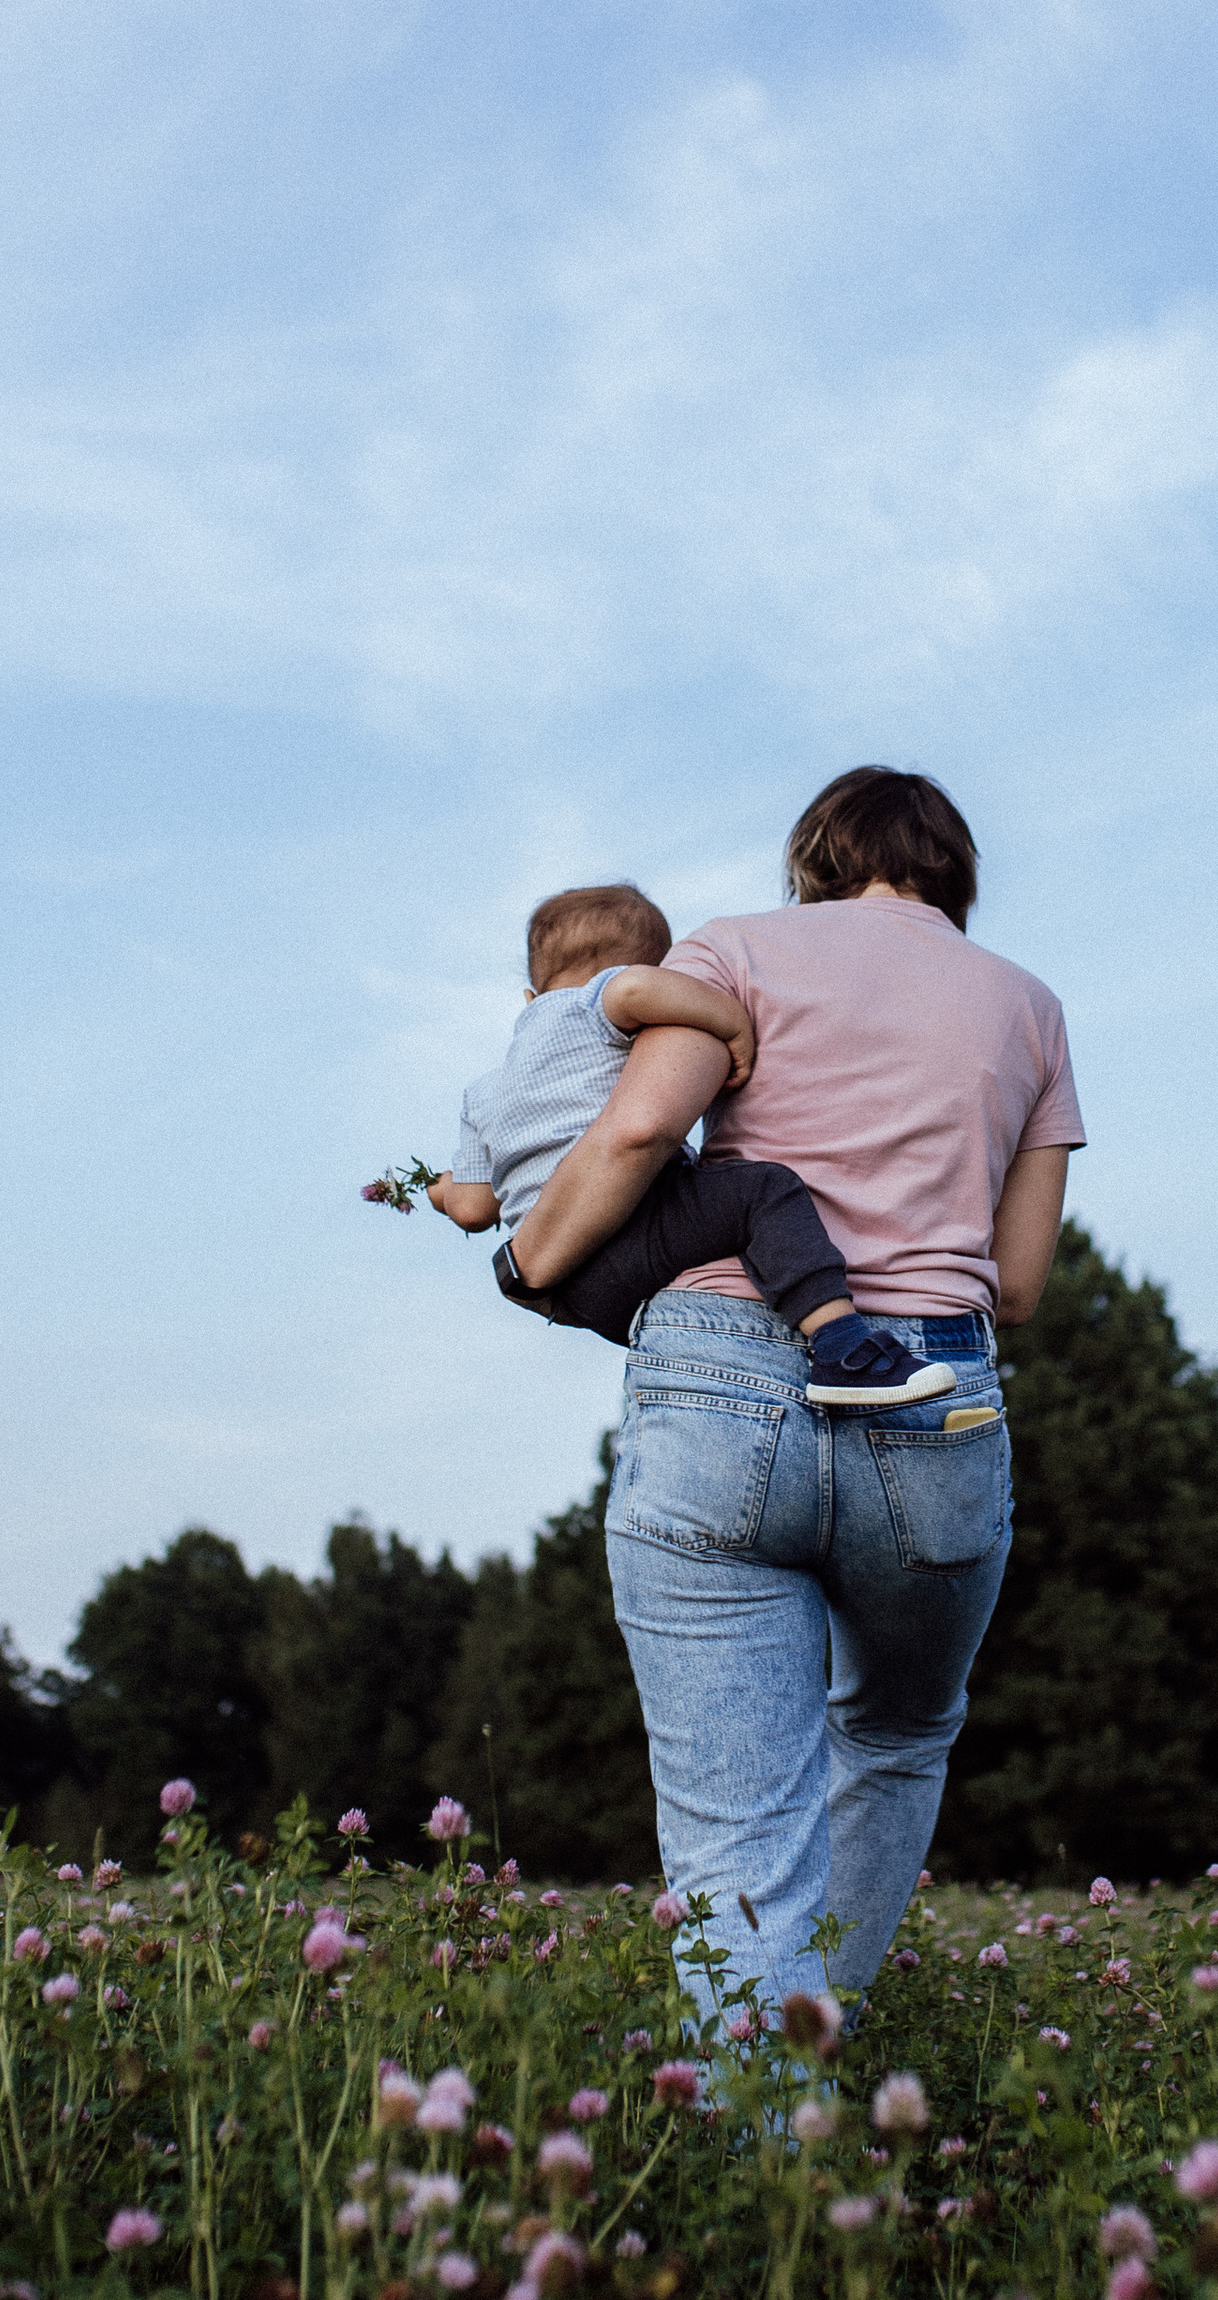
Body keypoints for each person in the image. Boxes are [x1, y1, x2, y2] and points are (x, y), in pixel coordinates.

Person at [503, 768, 1081, 2029]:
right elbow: (1021, 1283)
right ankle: (815, 2054)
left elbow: (642, 1131)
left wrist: (536, 1257)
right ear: (954, 874)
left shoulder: (733, 951)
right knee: (895, 1732)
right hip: (931, 1394)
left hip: (721, 1378)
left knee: (736, 1832)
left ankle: (761, 2167)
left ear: (813, 857)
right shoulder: (1032, 1010)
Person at [426, 879, 957, 1402]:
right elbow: (637, 991)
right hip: (630, 1225)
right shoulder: (597, 1002)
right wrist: (732, 1025)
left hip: (574, 1290)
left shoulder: (481, 1093)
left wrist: (438, 1190)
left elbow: (472, 1207)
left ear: (528, 997)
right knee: (762, 1192)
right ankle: (842, 1346)